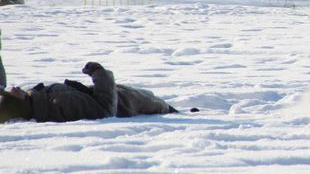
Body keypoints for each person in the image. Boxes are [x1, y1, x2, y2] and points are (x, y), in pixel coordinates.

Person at [0, 57, 178, 123]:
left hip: (126, 95)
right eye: (12, 93)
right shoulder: (61, 105)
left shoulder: (37, 101)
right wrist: (99, 73)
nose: (13, 87)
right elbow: (105, 110)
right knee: (164, 108)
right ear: (19, 104)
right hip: (131, 102)